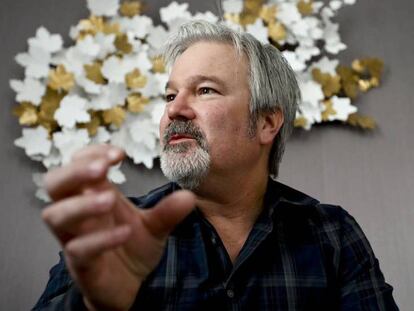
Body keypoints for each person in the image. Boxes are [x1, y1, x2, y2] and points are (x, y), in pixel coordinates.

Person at [33, 20, 398, 310]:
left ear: (268, 122)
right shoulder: (115, 233)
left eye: (205, 90)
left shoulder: (332, 235)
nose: (174, 109)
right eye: (170, 95)